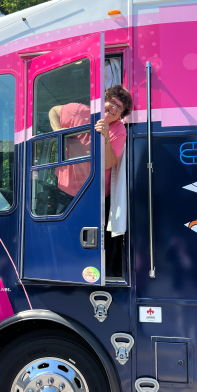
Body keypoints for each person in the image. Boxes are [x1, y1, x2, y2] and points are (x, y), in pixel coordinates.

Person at [49, 85, 133, 276]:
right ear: (104, 98)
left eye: (118, 108)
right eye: (112, 102)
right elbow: (53, 111)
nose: (113, 108)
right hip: (65, 190)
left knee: (91, 242)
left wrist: (105, 137)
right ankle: (64, 276)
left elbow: (109, 163)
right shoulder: (79, 111)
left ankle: (89, 277)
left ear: (121, 116)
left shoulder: (118, 130)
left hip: (96, 195)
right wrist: (59, 133)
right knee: (64, 237)